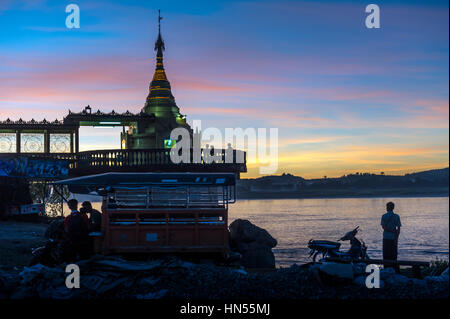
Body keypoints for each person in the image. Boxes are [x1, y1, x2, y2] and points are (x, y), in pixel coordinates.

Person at [380, 201, 401, 272]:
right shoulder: (397, 216)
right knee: (394, 254)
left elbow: (384, 227)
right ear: (393, 208)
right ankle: (394, 269)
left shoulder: (384, 216)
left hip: (386, 237)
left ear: (387, 208)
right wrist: (396, 238)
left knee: (386, 254)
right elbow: (398, 229)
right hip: (394, 238)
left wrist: (390, 231)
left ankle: (386, 268)